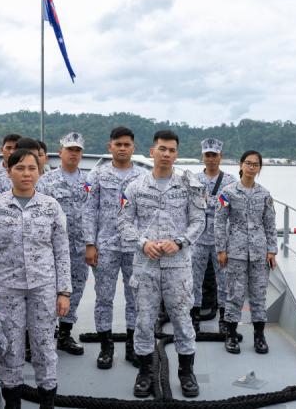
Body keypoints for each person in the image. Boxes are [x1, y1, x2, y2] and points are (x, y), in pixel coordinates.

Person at [0, 148, 71, 409]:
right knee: (11, 347)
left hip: (43, 288)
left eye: (32, 168)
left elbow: (62, 250)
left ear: (39, 171)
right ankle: (13, 403)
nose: (26, 173)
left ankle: (47, 402)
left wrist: (64, 292)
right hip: (6, 289)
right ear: (9, 171)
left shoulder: (51, 207)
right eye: (20, 168)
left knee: (44, 347)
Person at [118, 130, 206, 398]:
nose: (166, 154)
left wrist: (179, 242)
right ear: (152, 151)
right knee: (144, 320)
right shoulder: (134, 187)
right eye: (162, 149)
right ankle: (144, 372)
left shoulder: (189, 186)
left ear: (176, 154)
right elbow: (123, 222)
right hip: (145, 265)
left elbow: (198, 221)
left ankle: (186, 373)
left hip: (178, 266)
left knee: (181, 319)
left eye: (171, 150)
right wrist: (143, 242)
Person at [82, 126, 147, 369]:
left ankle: (132, 346)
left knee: (136, 298)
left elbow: (148, 212)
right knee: (104, 297)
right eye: (117, 144)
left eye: (126, 145)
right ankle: (106, 348)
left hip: (135, 247)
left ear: (133, 148)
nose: (122, 148)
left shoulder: (142, 177)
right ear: (110, 147)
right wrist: (90, 243)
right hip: (106, 246)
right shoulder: (96, 175)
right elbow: (88, 210)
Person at [215, 150, 277, 355]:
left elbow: (270, 224)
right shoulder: (228, 192)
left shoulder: (265, 194)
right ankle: (231, 335)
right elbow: (219, 221)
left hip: (259, 252)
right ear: (241, 165)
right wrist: (221, 249)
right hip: (235, 251)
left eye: (255, 164)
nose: (251, 167)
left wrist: (272, 250)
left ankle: (259, 336)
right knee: (234, 293)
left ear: (259, 168)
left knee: (259, 294)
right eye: (248, 163)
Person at [36, 132, 89, 356]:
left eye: (77, 150)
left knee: (75, 289)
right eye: (70, 150)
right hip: (52, 247)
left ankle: (66, 333)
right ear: (60, 153)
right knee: (48, 290)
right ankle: (48, 332)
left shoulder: (89, 181)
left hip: (79, 248)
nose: (74, 154)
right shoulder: (46, 181)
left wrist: (91, 243)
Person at [191, 138, 237, 333]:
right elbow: (190, 206)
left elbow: (231, 208)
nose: (211, 159)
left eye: (214, 155)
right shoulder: (193, 179)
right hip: (198, 238)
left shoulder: (230, 181)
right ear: (203, 157)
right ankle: (193, 316)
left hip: (221, 240)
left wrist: (208, 202)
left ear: (220, 156)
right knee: (194, 279)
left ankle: (224, 319)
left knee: (224, 280)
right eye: (207, 155)